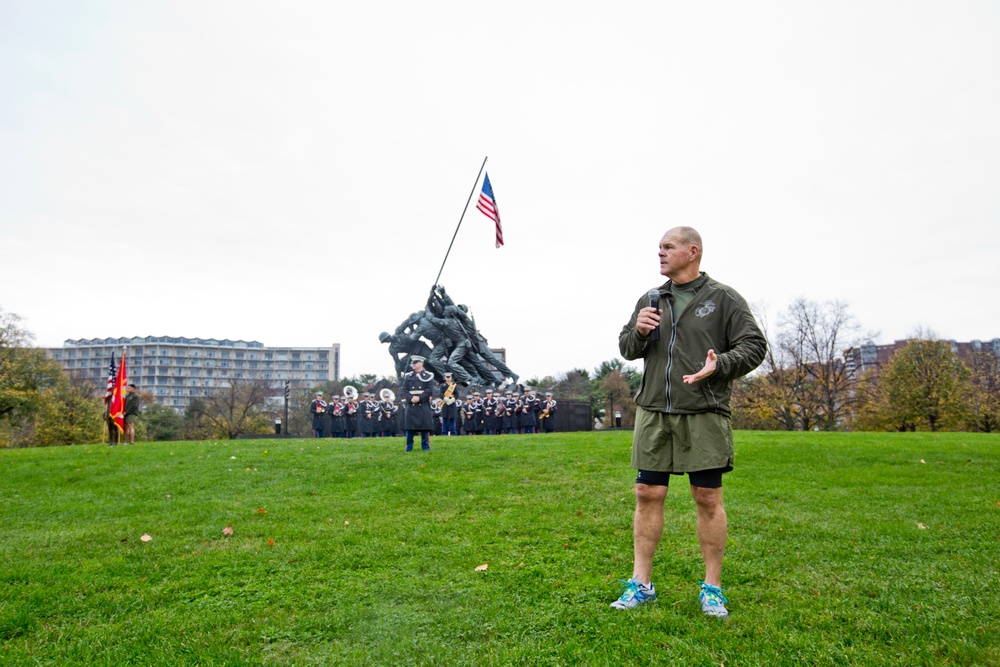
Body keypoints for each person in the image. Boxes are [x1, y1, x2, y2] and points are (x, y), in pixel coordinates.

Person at [611, 226, 766, 619]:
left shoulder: (724, 299)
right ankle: (641, 584)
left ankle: (712, 589)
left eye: (668, 247)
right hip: (654, 411)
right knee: (647, 492)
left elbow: (754, 346)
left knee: (707, 497)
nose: (659, 253)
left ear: (692, 251)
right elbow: (628, 349)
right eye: (659, 248)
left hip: (704, 409)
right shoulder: (651, 298)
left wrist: (721, 365)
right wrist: (639, 332)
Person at [400, 355, 435, 451]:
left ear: (421, 363)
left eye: (415, 363)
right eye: (412, 363)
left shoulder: (428, 376)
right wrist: (411, 398)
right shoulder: (408, 376)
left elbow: (429, 390)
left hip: (423, 404)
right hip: (411, 404)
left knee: (425, 426)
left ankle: (425, 446)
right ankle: (409, 446)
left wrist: (419, 398)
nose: (413, 364)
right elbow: (404, 390)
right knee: (409, 427)